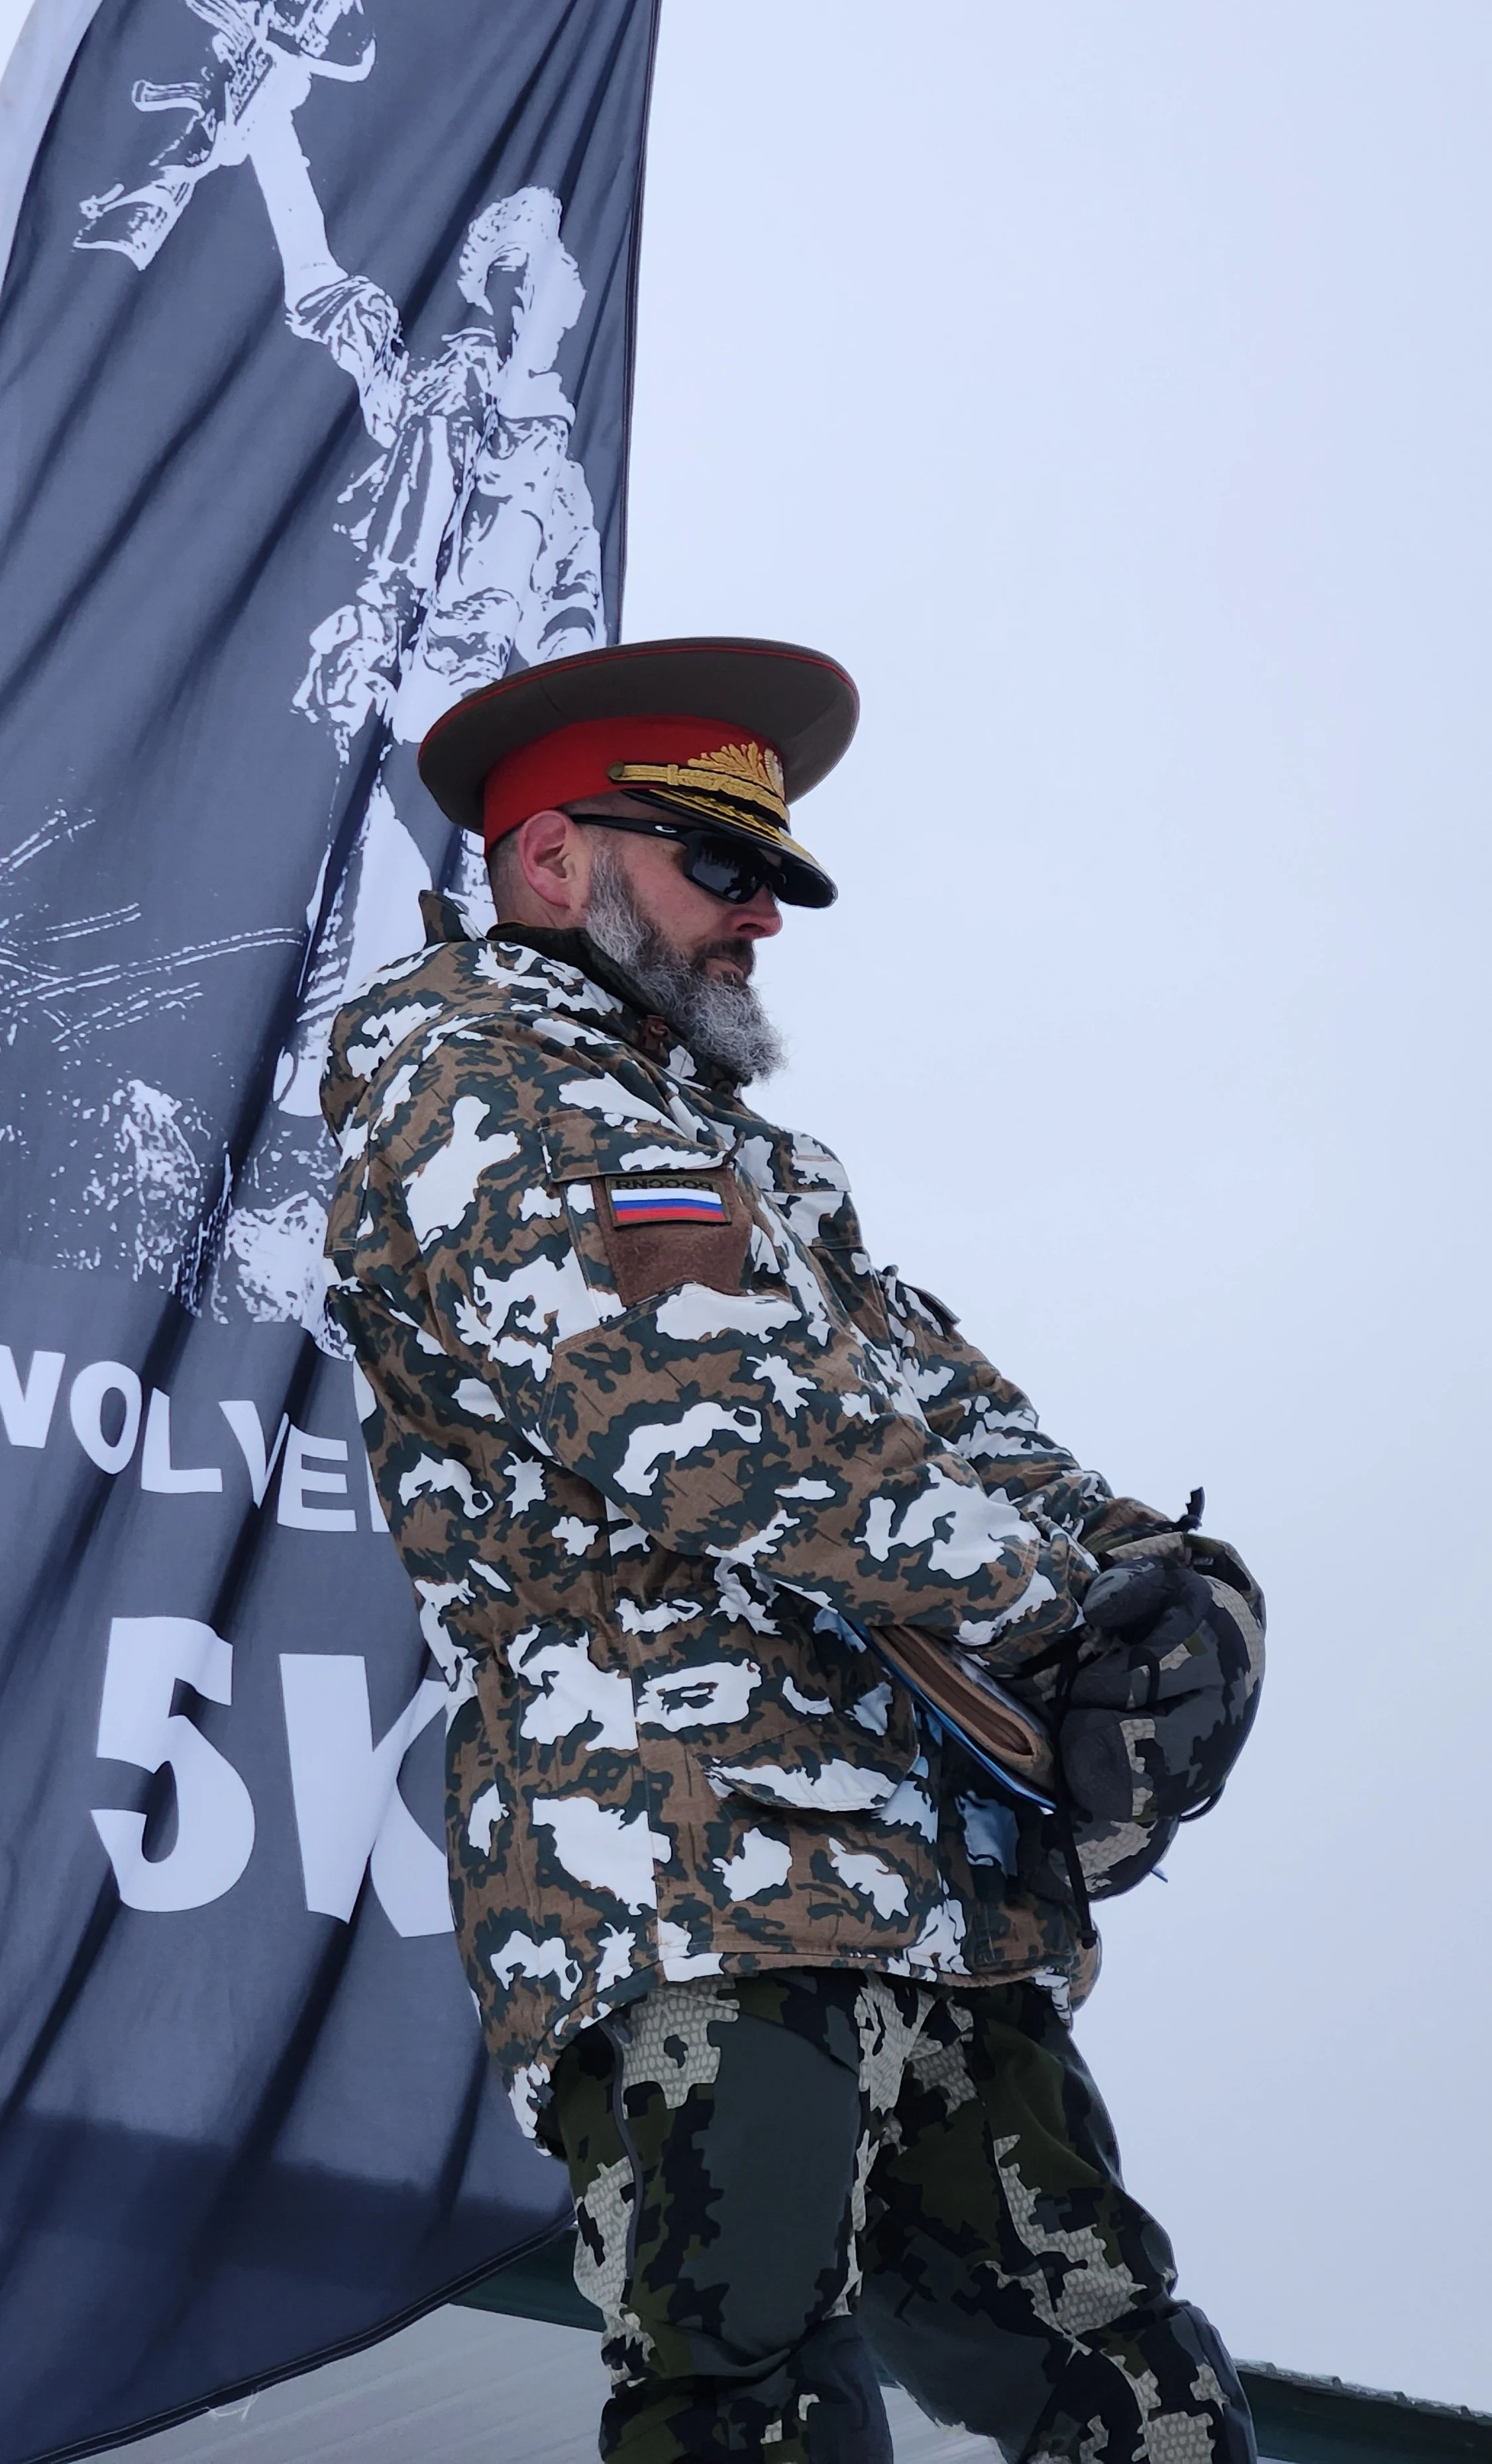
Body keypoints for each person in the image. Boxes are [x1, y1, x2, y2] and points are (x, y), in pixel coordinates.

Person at [321, 636, 1262, 2464]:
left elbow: (952, 1413)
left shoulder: (757, 1166)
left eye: (773, 883)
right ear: (549, 863)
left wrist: (1170, 1580)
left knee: (1122, 2384)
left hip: (936, 1898)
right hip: (676, 1864)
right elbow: (696, 1411)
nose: (762, 922)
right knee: (746, 2389)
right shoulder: (465, 1067)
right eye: (720, 869)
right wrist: (1053, 1606)